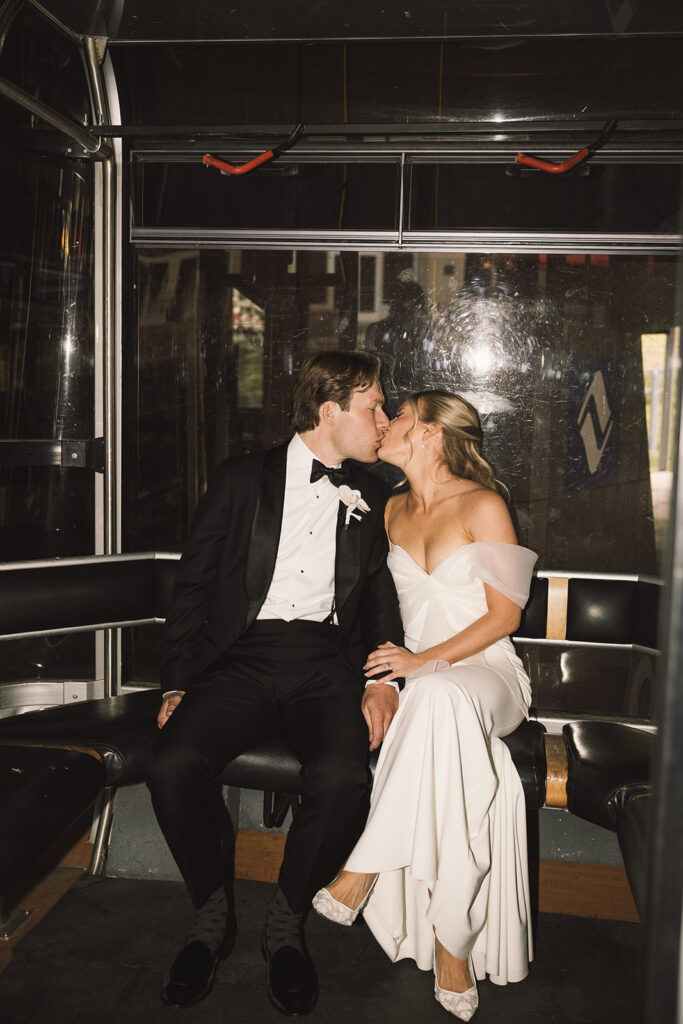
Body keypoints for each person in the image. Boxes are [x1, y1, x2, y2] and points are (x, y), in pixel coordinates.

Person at [147, 350, 404, 1014]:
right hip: (241, 657)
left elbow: (378, 599)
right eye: (373, 405)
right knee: (173, 763)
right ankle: (210, 916)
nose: (383, 417)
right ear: (330, 411)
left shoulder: (375, 493)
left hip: (325, 663)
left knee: (343, 777)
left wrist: (383, 681)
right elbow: (194, 586)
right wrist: (176, 683)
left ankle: (287, 924)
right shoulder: (240, 480)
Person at [313, 390, 537, 1021]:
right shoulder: (390, 509)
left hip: (489, 674)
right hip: (429, 689)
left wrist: (421, 663)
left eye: (398, 416)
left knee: (437, 691)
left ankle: (362, 867)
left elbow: (505, 616)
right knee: (435, 702)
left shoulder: (483, 504)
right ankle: (451, 945)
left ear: (432, 433)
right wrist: (383, 676)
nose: (383, 426)